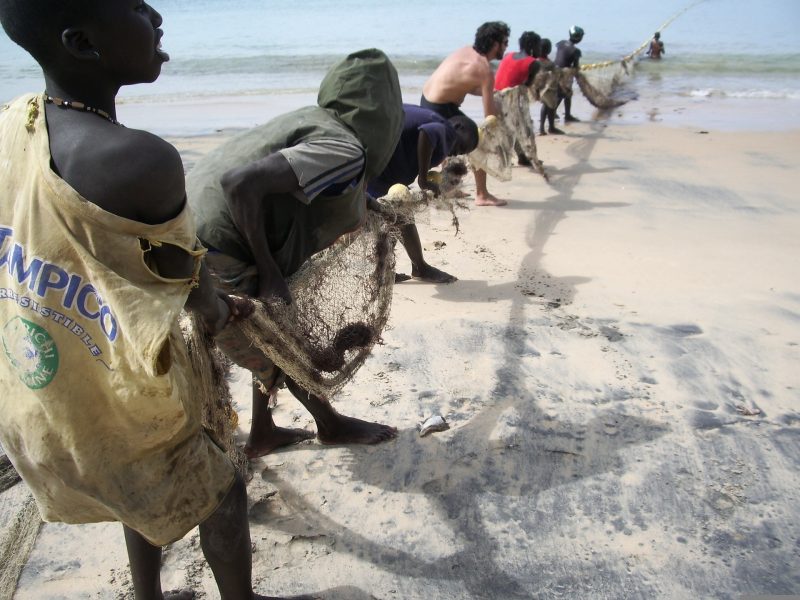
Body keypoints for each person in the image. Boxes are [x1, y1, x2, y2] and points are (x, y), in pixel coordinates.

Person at [0, 1, 304, 599]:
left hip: (39, 393)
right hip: (119, 400)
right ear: (84, 42)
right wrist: (222, 310)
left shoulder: (14, 122)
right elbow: (186, 278)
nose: (157, 15)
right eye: (135, 7)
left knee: (138, 491)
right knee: (220, 490)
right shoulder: (139, 160)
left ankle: (148, 596)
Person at [186, 49, 402, 459]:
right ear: (386, 116)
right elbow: (240, 184)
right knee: (280, 337)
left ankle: (263, 430)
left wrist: (371, 207)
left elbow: (321, 188)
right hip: (219, 243)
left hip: (186, 225)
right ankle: (330, 425)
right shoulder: (346, 149)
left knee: (266, 324)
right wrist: (269, 271)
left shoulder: (318, 122)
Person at [368, 105, 480, 283]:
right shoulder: (443, 127)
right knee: (395, 217)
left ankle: (385, 270)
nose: (454, 153)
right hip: (377, 171)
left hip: (378, 166)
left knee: (395, 218)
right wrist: (423, 179)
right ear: (458, 127)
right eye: (459, 146)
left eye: (459, 153)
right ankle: (417, 267)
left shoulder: (435, 123)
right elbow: (427, 134)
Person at [421, 21, 510, 207]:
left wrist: (491, 92)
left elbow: (460, 83)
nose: (506, 46)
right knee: (477, 139)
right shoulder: (485, 69)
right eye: (505, 42)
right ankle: (482, 194)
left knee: (451, 142)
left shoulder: (466, 51)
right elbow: (489, 117)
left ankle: (448, 189)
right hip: (440, 106)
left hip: (428, 100)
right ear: (495, 44)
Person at [494, 30, 543, 165]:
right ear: (532, 46)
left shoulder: (508, 55)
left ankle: (511, 158)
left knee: (509, 129)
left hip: (495, 98)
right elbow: (527, 85)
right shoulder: (534, 63)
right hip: (510, 100)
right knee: (523, 128)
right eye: (538, 46)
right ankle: (523, 157)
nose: (541, 49)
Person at [555, 25, 584, 123]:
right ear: (579, 38)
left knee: (562, 93)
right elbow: (576, 66)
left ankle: (561, 113)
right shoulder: (576, 51)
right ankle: (564, 114)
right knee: (565, 94)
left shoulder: (561, 43)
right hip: (565, 73)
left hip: (555, 70)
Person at [537, 38, 564, 135]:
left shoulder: (537, 61)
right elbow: (555, 73)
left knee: (545, 106)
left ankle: (541, 129)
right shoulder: (548, 63)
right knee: (551, 108)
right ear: (549, 50)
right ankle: (551, 127)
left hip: (540, 88)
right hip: (548, 89)